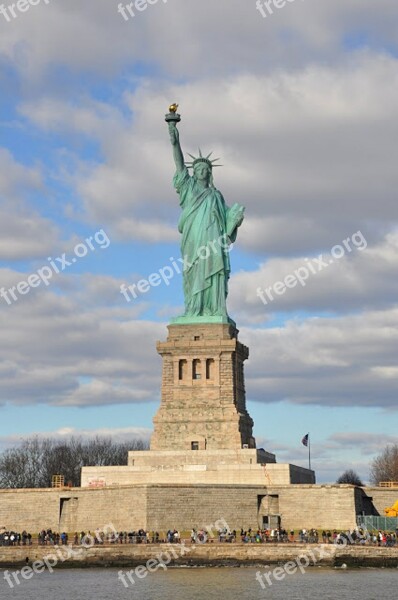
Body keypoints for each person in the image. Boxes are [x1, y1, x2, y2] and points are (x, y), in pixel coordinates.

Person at [168, 121, 244, 319]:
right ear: (193, 172)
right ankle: (194, 309)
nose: (201, 171)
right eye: (198, 168)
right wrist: (175, 141)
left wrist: (235, 218)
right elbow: (178, 163)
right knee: (193, 271)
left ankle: (214, 308)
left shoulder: (216, 195)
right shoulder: (188, 187)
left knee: (213, 269)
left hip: (212, 240)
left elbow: (228, 218)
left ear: (210, 173)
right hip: (194, 238)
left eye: (205, 169)